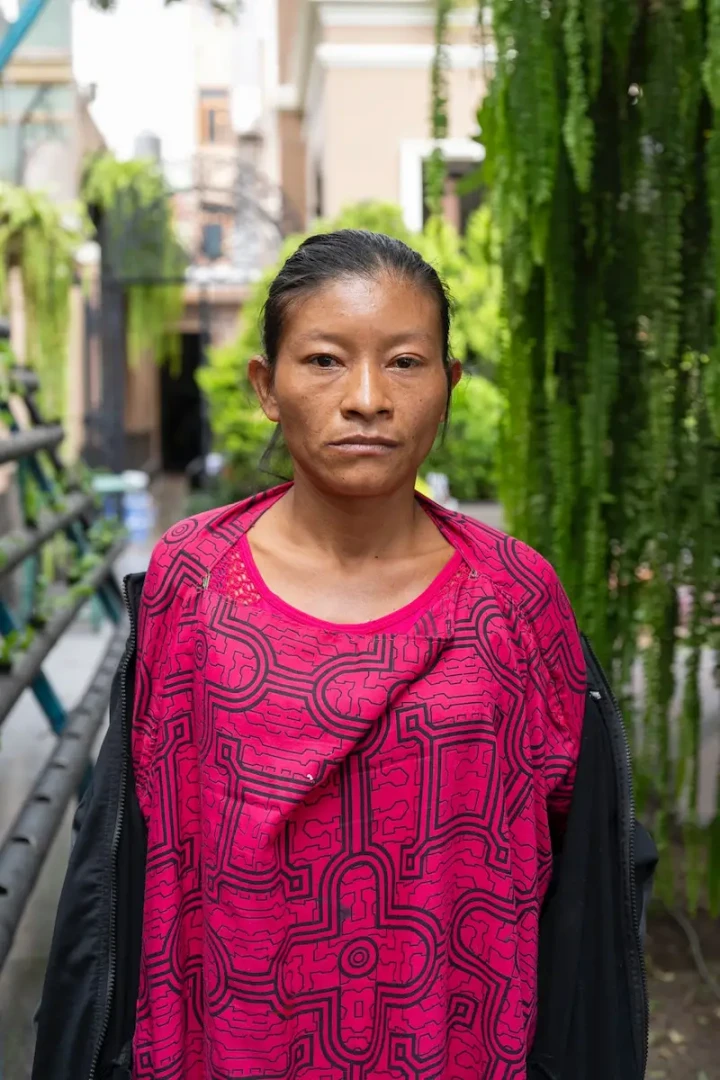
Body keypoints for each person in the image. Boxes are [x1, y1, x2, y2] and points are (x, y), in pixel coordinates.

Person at [32, 231, 654, 1080]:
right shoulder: (194, 580)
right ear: (266, 386)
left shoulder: (515, 600)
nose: (367, 398)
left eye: (405, 363)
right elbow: (128, 843)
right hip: (226, 1045)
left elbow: (583, 867)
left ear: (450, 384)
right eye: (325, 360)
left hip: (452, 1049)